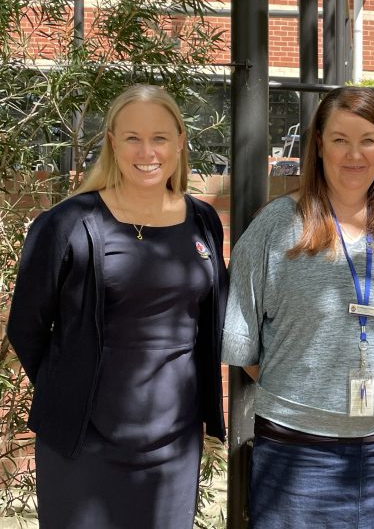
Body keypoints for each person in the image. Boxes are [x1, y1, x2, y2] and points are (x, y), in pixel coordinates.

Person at [6, 84, 228, 529]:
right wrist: (68, 388)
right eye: (132, 138)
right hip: (84, 442)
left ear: (181, 141)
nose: (147, 151)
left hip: (173, 442)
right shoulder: (68, 224)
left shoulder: (202, 220)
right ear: (112, 142)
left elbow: (208, 323)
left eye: (160, 137)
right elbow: (26, 328)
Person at [222, 87, 374, 529]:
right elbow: (245, 347)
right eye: (340, 140)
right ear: (318, 144)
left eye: (368, 140)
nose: (354, 154)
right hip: (299, 451)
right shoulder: (276, 227)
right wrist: (311, 392)